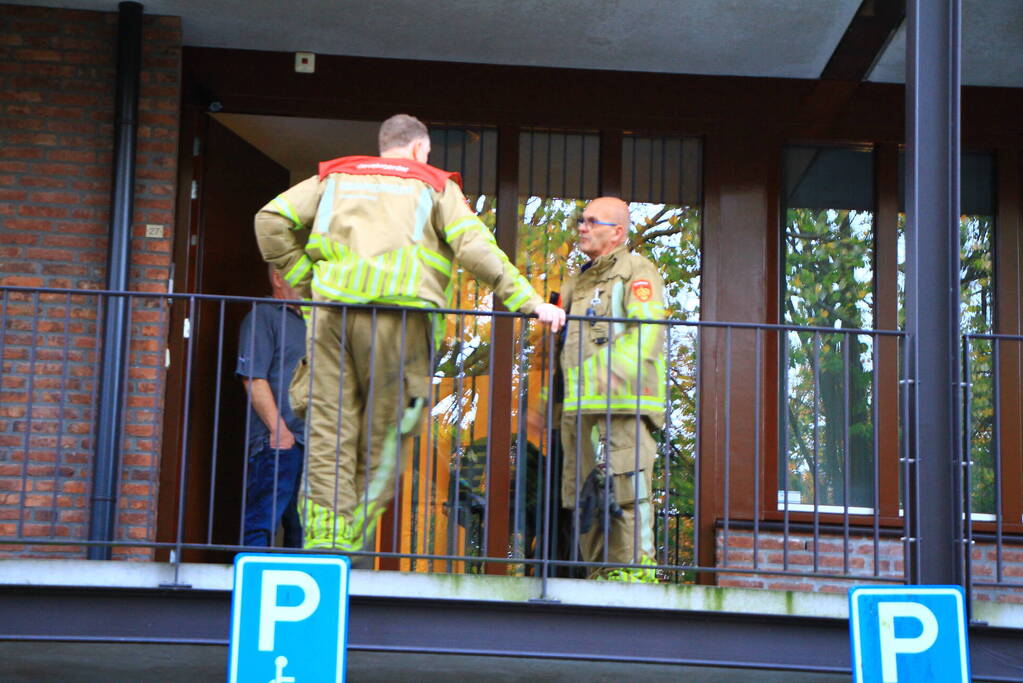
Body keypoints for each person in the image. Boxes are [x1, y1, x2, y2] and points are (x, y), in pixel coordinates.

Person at [254, 114, 564, 560]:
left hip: (332, 317)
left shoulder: (334, 179)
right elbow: (475, 248)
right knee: (388, 436)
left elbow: (270, 221)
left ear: (384, 146)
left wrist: (307, 285)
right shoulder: (434, 185)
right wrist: (532, 302)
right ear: (421, 150)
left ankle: (324, 542)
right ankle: (352, 539)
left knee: (329, 431)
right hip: (399, 321)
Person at [557, 196, 666, 582]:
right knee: (584, 499)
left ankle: (636, 576)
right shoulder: (576, 283)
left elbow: (649, 330)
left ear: (617, 232)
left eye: (591, 221)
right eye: (580, 220)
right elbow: (562, 352)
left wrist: (609, 376)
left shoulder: (636, 270)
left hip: (623, 409)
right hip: (581, 414)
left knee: (627, 494)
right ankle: (602, 576)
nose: (581, 227)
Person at [236, 265, 307, 547]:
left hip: (313, 443)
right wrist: (280, 432)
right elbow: (253, 377)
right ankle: (252, 583)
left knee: (303, 530)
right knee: (263, 520)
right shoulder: (263, 316)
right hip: (279, 440)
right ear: (278, 279)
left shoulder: (311, 322)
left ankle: (302, 584)